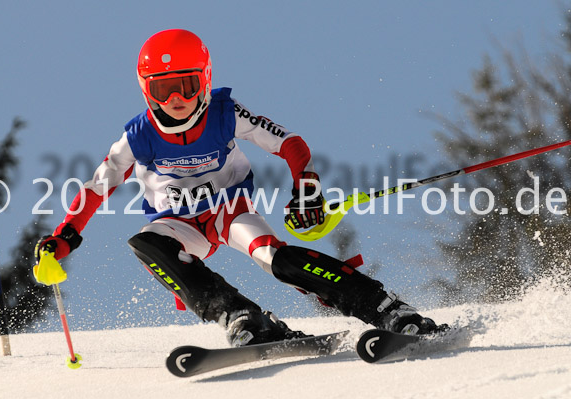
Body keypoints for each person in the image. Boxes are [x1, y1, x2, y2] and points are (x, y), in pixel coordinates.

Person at [34, 29, 446, 347]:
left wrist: (306, 184)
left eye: (187, 85)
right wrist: (64, 236)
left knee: (275, 259)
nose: (177, 98)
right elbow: (97, 187)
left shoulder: (223, 114)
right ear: (147, 89)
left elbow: (289, 143)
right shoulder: (138, 136)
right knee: (147, 244)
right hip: (178, 223)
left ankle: (383, 307)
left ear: (205, 80)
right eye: (164, 88)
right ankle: (240, 315)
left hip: (229, 210)